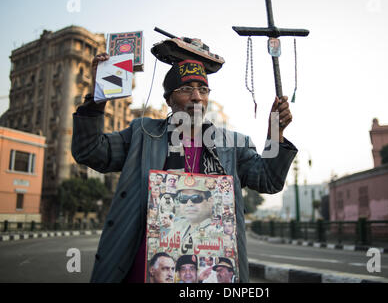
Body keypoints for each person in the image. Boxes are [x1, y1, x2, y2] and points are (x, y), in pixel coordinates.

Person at [72, 51, 296, 283]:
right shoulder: (143, 135)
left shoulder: (232, 146)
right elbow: (90, 151)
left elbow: (268, 180)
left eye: (203, 89)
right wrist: (97, 101)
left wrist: (275, 134)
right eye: (186, 89)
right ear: (168, 99)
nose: (197, 97)